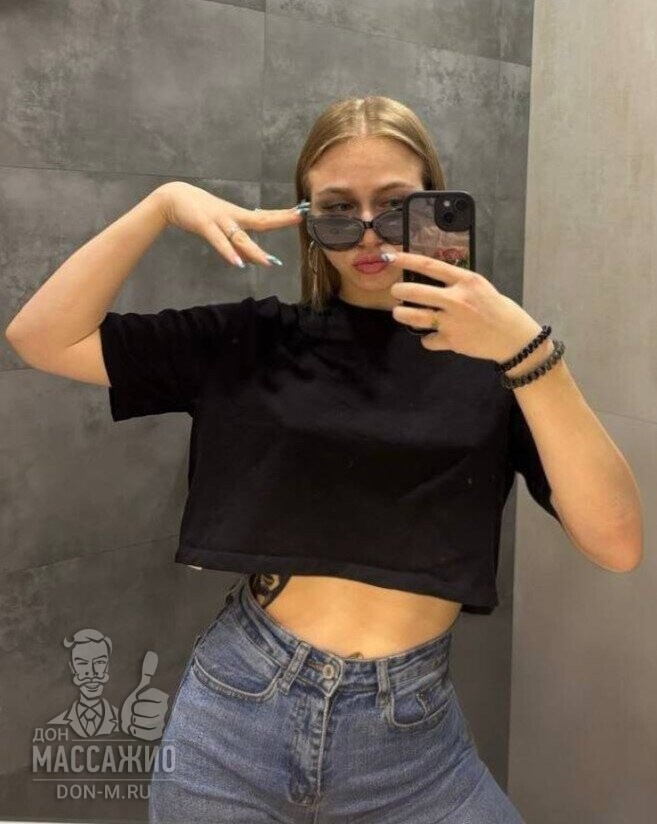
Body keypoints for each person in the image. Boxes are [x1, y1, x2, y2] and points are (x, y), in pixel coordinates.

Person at [7, 95, 567, 822]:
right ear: (306, 221)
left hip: (415, 748)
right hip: (238, 718)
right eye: (337, 210)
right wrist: (160, 206)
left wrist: (531, 352)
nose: (368, 232)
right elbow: (40, 338)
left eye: (394, 204)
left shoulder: (504, 361)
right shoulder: (253, 341)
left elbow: (615, 542)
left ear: (433, 202)